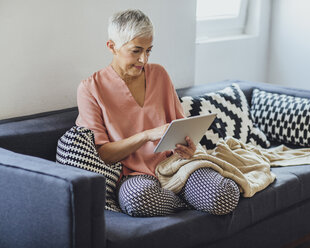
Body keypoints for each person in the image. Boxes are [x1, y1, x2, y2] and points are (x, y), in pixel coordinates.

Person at [76, 9, 240, 217]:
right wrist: (147, 135)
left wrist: (188, 147)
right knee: (137, 201)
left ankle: (183, 195)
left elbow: (180, 126)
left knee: (225, 195)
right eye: (136, 51)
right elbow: (104, 154)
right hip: (133, 176)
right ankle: (184, 199)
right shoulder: (91, 88)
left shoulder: (159, 74)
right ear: (112, 46)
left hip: (173, 165)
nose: (143, 60)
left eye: (148, 50)